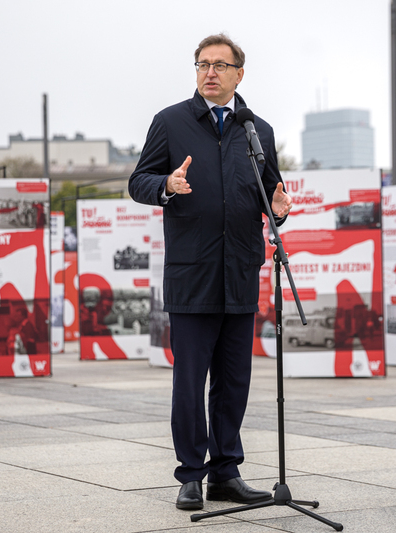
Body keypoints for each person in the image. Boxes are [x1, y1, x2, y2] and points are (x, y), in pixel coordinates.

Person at [128, 33, 293, 511]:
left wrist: (278, 209)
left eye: (221, 65)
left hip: (241, 271)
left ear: (240, 74)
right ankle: (190, 475)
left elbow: (269, 194)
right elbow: (139, 181)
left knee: (233, 380)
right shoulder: (170, 122)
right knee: (190, 381)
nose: (210, 73)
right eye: (203, 64)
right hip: (192, 275)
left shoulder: (256, 129)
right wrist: (167, 184)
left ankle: (226, 472)